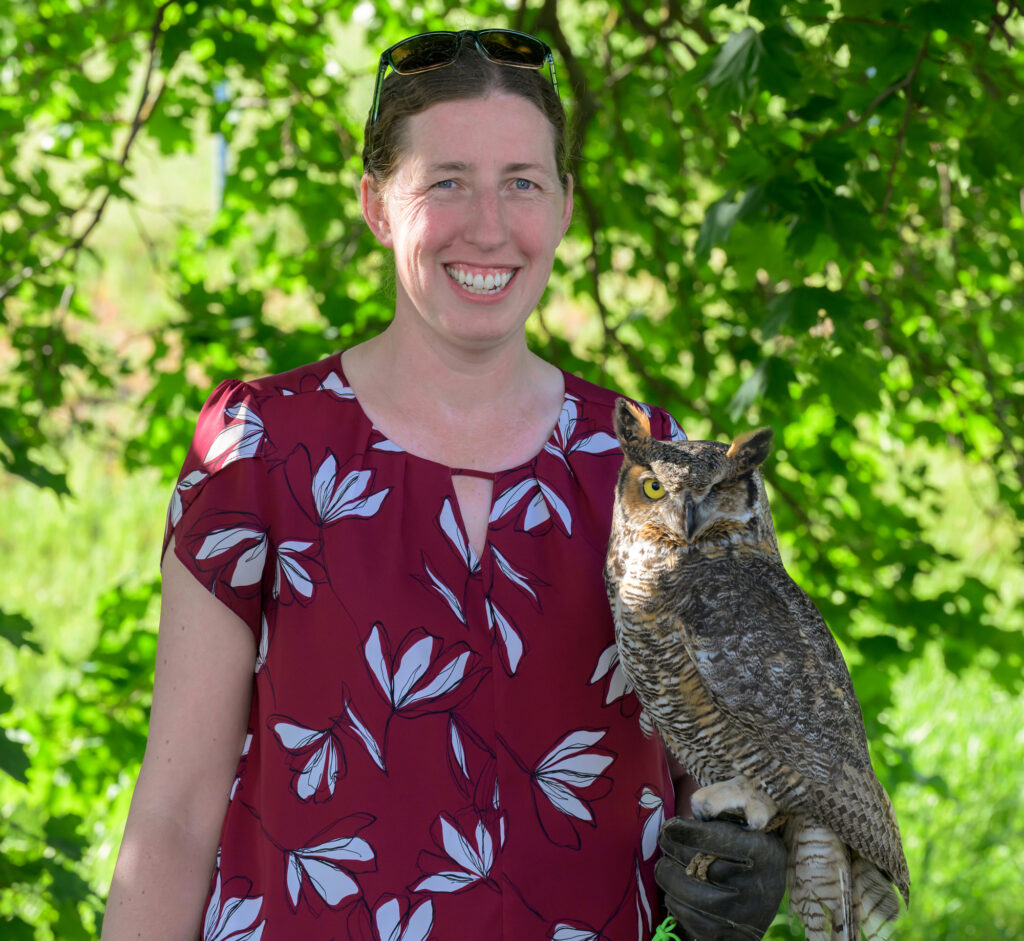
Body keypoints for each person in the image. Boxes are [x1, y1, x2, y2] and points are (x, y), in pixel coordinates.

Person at [101, 29, 785, 941]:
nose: (490, 226)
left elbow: (722, 764)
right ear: (378, 206)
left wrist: (748, 846)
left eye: (522, 183)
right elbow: (176, 813)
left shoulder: (649, 465)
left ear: (567, 206)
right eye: (447, 181)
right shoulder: (261, 448)